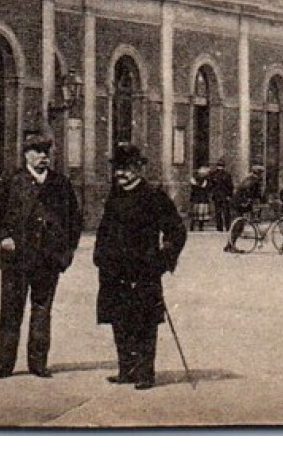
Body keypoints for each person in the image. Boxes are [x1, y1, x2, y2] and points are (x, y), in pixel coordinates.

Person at [0, 132, 82, 379]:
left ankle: (38, 364)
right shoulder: (11, 180)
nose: (43, 157)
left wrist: (68, 251)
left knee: (42, 311)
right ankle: (5, 364)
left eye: (46, 152)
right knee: (11, 311)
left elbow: (74, 219)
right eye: (37, 152)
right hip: (16, 259)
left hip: (47, 260)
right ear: (26, 155)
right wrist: (3, 237)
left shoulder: (60, 183)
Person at [94, 142, 187, 390]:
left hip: (143, 271)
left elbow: (176, 231)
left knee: (144, 322)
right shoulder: (116, 194)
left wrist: (162, 260)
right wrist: (100, 256)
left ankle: (145, 373)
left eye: (125, 169)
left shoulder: (153, 196)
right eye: (117, 169)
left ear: (138, 169)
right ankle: (127, 369)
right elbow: (105, 229)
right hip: (114, 271)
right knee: (119, 320)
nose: (119, 174)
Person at [207, 159, 236, 232]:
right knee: (223, 212)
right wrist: (229, 195)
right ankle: (225, 227)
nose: (220, 168)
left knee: (221, 212)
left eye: (220, 166)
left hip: (220, 196)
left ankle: (222, 227)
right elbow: (230, 186)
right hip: (222, 196)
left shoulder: (214, 175)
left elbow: (210, 185)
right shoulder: (225, 175)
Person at [188, 167, 212, 232]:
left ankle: (194, 227)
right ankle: (197, 227)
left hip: (199, 198)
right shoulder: (204, 180)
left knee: (196, 214)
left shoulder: (199, 180)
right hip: (200, 198)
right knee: (198, 214)